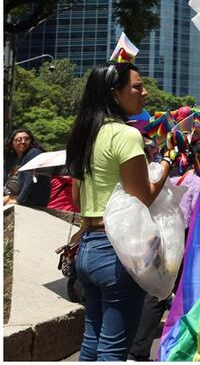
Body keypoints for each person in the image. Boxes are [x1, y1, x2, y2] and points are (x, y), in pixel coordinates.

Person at [66, 61, 174, 361]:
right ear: (115, 93)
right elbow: (144, 197)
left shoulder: (85, 134)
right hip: (118, 252)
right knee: (114, 350)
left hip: (87, 249)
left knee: (92, 342)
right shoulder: (125, 135)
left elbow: (77, 198)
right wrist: (167, 161)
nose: (144, 92)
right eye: (137, 86)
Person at [4, 129, 50, 207]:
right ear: (12, 143)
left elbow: (30, 180)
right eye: (19, 140)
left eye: (27, 139)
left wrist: (19, 200)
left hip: (30, 199)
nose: (23, 141)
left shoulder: (34, 153)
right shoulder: (10, 159)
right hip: (10, 196)